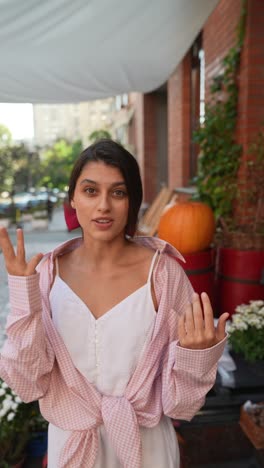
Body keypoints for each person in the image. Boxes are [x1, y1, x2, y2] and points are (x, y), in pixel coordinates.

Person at [0, 139, 229, 468]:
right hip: (73, 445)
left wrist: (196, 357)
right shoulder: (46, 276)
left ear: (132, 201)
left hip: (147, 448)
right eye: (91, 191)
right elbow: (27, 382)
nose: (103, 205)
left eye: (118, 193)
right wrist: (24, 295)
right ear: (73, 200)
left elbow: (181, 405)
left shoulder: (164, 273)